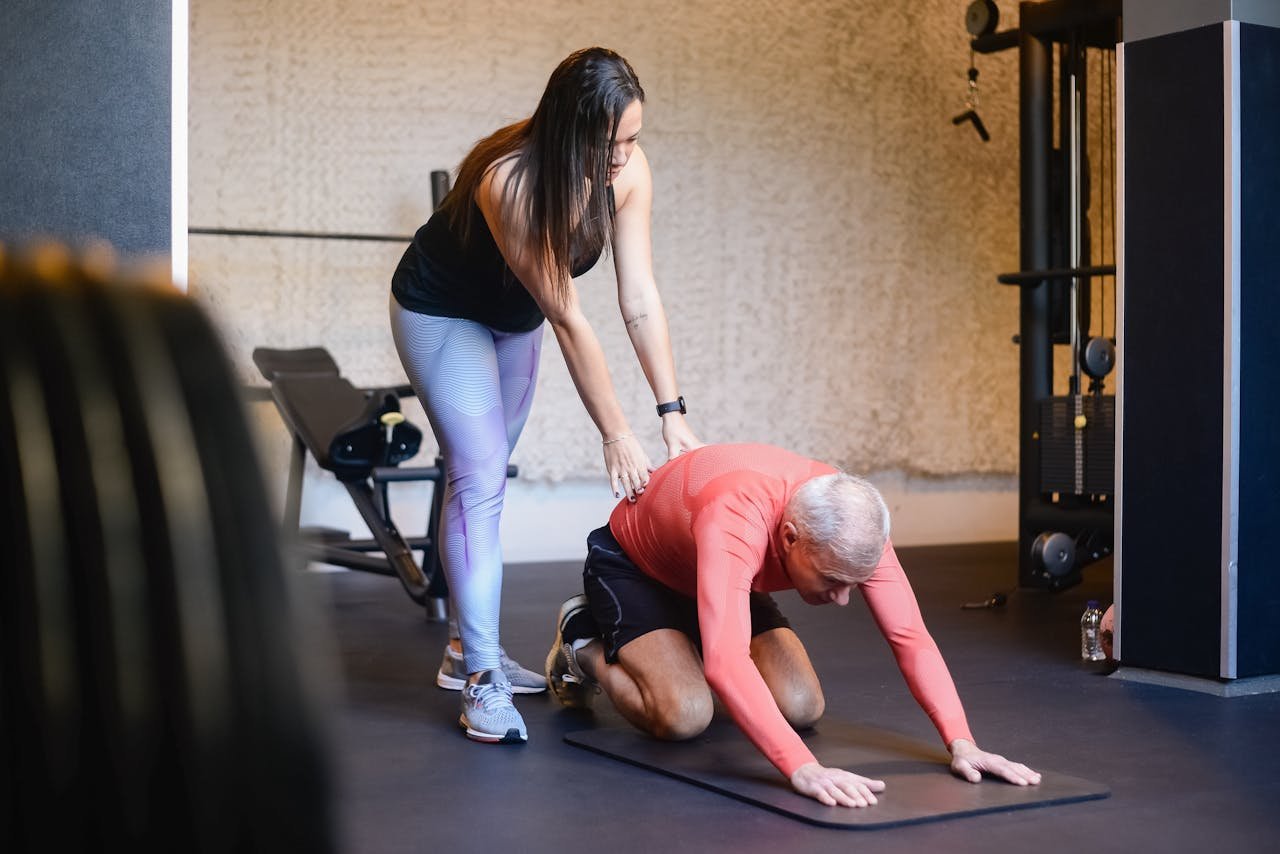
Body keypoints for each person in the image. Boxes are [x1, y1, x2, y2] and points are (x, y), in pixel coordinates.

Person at [390, 47, 701, 744]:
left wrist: (670, 414)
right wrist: (616, 431)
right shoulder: (513, 183)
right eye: (610, 142)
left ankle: (462, 651)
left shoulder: (627, 171)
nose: (623, 156)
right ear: (569, 131)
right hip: (443, 312)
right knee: (478, 479)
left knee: (481, 476)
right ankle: (479, 682)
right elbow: (569, 318)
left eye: (633, 138)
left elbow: (639, 298)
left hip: (512, 320)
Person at [545, 442, 1041, 807]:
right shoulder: (736, 517)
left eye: (854, 583)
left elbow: (909, 636)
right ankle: (583, 642)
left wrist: (962, 742)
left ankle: (685, 636)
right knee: (685, 714)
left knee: (802, 705)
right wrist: (801, 767)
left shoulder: (854, 524)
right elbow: (726, 663)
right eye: (831, 580)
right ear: (788, 536)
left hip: (717, 575)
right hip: (637, 568)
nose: (845, 600)